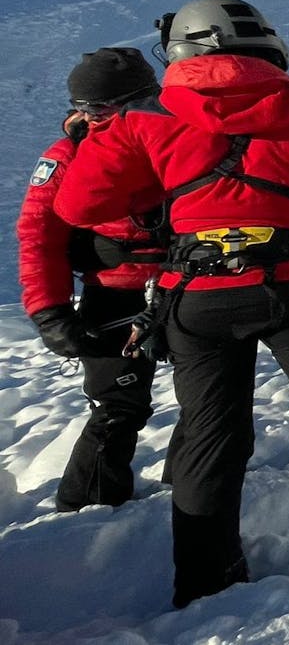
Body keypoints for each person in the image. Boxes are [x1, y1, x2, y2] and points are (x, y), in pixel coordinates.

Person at [52, 0, 289, 607]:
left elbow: (77, 206)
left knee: (212, 436)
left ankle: (206, 584)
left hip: (197, 297)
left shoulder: (143, 119)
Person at [17, 48, 166, 511]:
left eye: (102, 107)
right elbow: (38, 236)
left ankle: (198, 489)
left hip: (186, 287)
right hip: (114, 295)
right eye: (86, 107)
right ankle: (88, 513)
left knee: (212, 398)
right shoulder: (67, 157)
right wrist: (50, 311)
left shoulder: (179, 141)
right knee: (118, 405)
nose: (92, 116)